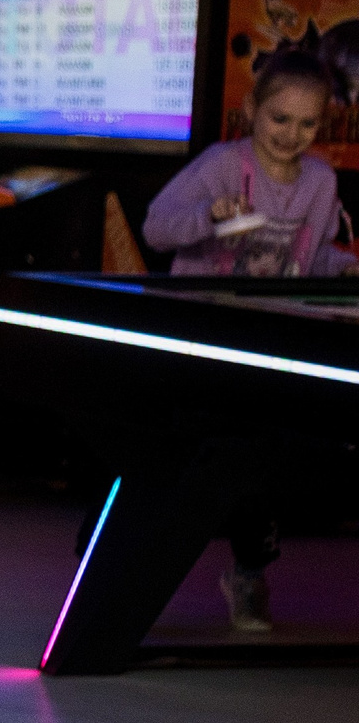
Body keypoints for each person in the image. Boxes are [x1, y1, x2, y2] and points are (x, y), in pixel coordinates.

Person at [142, 48, 357, 629]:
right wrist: (209, 216)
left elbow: (307, 260)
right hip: (202, 338)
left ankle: (248, 575)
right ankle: (128, 577)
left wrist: (339, 267)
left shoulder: (320, 180)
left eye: (307, 124)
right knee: (178, 463)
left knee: (261, 463)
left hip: (268, 342)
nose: (292, 135)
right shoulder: (220, 164)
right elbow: (157, 227)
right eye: (279, 119)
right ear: (251, 110)